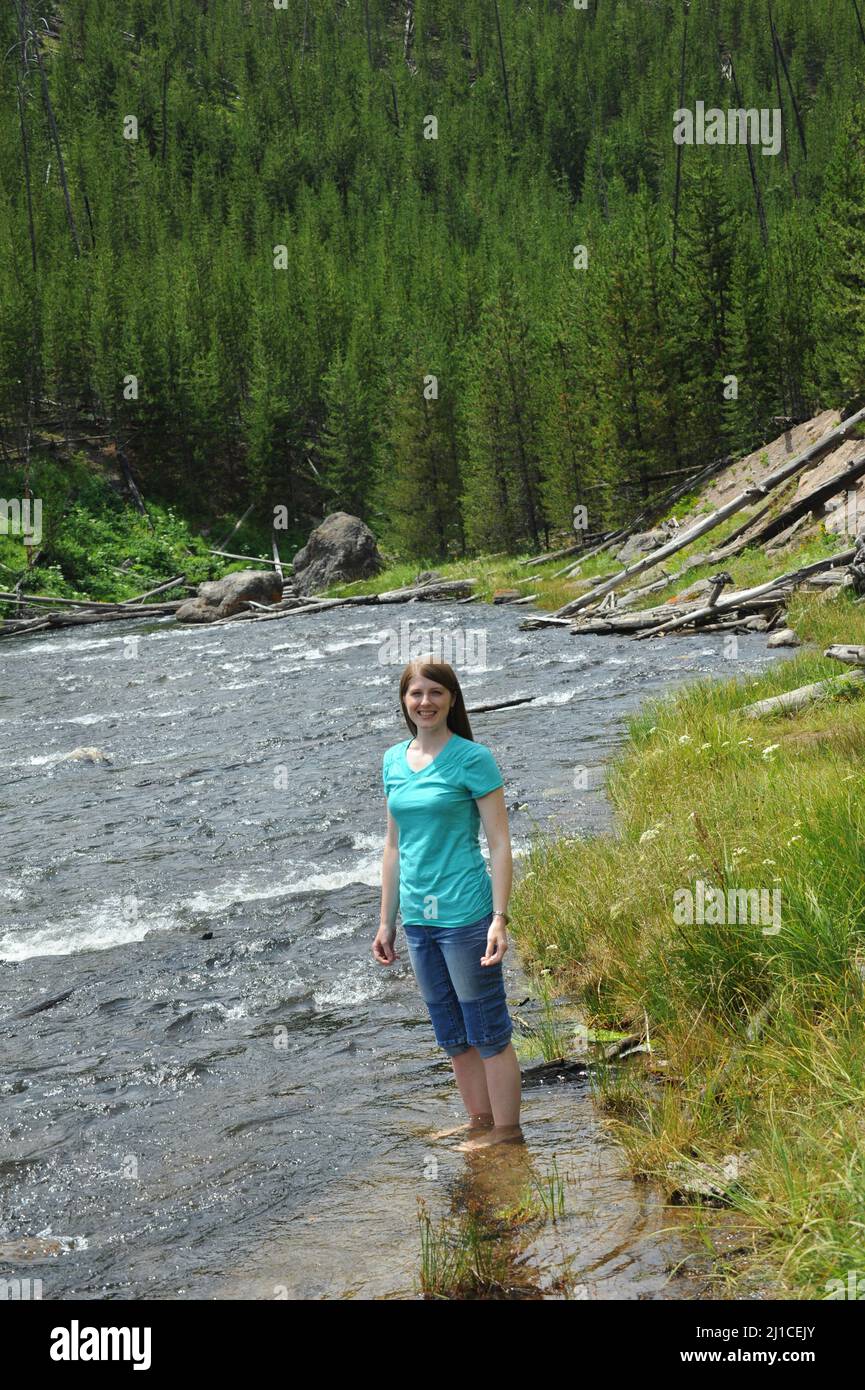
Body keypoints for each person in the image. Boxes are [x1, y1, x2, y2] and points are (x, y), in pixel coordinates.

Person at [372, 659, 523, 1150]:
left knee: (487, 1029)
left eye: (436, 693)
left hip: (465, 912)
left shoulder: (473, 759)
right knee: (452, 1033)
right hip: (418, 918)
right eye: (416, 693)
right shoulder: (394, 760)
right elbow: (393, 847)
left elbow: (500, 844)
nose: (426, 702)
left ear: (452, 700)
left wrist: (499, 918)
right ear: (404, 701)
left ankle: (507, 1132)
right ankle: (480, 1122)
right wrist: (386, 922)